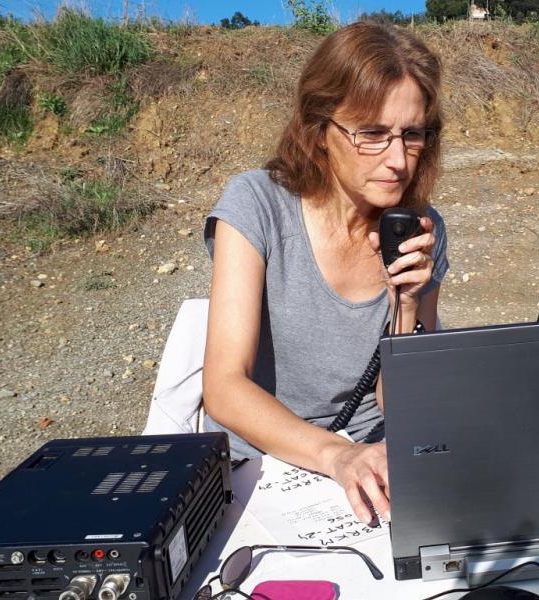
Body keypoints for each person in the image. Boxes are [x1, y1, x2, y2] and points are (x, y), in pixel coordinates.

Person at [200, 21, 449, 526]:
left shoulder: (421, 229)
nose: (398, 160)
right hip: (263, 463)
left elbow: (403, 408)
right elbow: (224, 386)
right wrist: (336, 455)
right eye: (372, 134)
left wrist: (405, 308)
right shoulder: (257, 205)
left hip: (373, 458)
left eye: (412, 134)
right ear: (319, 131)